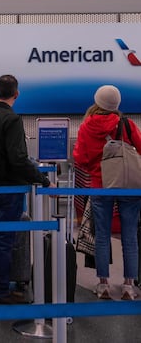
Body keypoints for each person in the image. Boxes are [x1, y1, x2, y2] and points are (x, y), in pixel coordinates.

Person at [0, 74, 52, 305]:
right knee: (4, 239)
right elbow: (18, 158)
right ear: (16, 94)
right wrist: (43, 180)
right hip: (9, 187)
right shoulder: (13, 120)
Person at [73, 84, 141, 301]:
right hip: (128, 185)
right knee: (129, 236)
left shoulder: (86, 127)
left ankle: (103, 284)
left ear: (97, 102)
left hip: (99, 185)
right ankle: (129, 285)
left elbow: (80, 158)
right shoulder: (127, 125)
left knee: (101, 235)